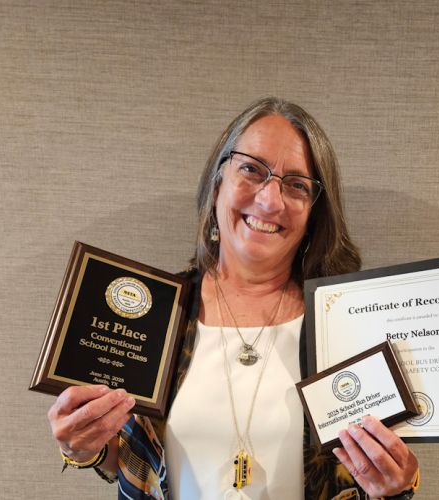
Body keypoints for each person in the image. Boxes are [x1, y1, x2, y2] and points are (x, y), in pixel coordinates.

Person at [48, 97, 419, 499]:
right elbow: (130, 454)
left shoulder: (342, 322)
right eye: (251, 169)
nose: (270, 200)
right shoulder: (158, 314)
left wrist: (397, 484)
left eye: (296, 185)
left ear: (314, 213)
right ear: (217, 184)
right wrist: (84, 447)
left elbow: (371, 468)